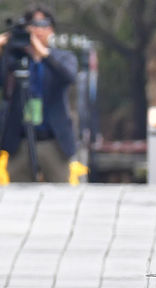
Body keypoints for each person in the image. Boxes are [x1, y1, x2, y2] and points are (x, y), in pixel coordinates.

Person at [0, 4, 78, 183]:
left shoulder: (62, 57)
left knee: (60, 195)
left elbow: (68, 76)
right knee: (18, 198)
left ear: (51, 29)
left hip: (53, 141)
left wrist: (41, 51)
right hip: (20, 142)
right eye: (33, 25)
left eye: (43, 24)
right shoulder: (14, 59)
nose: (38, 30)